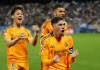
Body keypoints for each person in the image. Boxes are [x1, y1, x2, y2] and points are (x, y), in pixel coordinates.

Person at [4, 5, 39, 70]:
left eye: (22, 14)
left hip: (24, 60)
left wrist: (36, 34)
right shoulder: (8, 30)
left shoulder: (26, 31)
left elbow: (33, 43)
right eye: (18, 14)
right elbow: (8, 44)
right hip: (13, 61)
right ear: (12, 16)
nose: (20, 15)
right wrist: (18, 38)